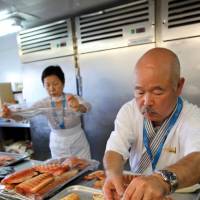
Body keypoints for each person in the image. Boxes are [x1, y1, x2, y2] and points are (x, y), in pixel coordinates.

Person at [103, 48, 200, 200]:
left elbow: (198, 158)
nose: (147, 102)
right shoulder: (129, 111)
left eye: (158, 92)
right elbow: (115, 148)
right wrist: (112, 173)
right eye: (140, 92)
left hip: (177, 193)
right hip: (135, 193)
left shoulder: (193, 117)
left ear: (179, 86)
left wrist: (162, 180)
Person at [1, 65, 91, 159]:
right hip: (57, 144)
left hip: (77, 142)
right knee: (60, 171)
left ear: (63, 83)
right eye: (47, 85)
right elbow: (25, 114)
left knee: (85, 170)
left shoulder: (72, 98)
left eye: (55, 84)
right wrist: (10, 115)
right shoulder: (43, 103)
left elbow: (87, 106)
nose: (51, 88)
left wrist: (78, 107)